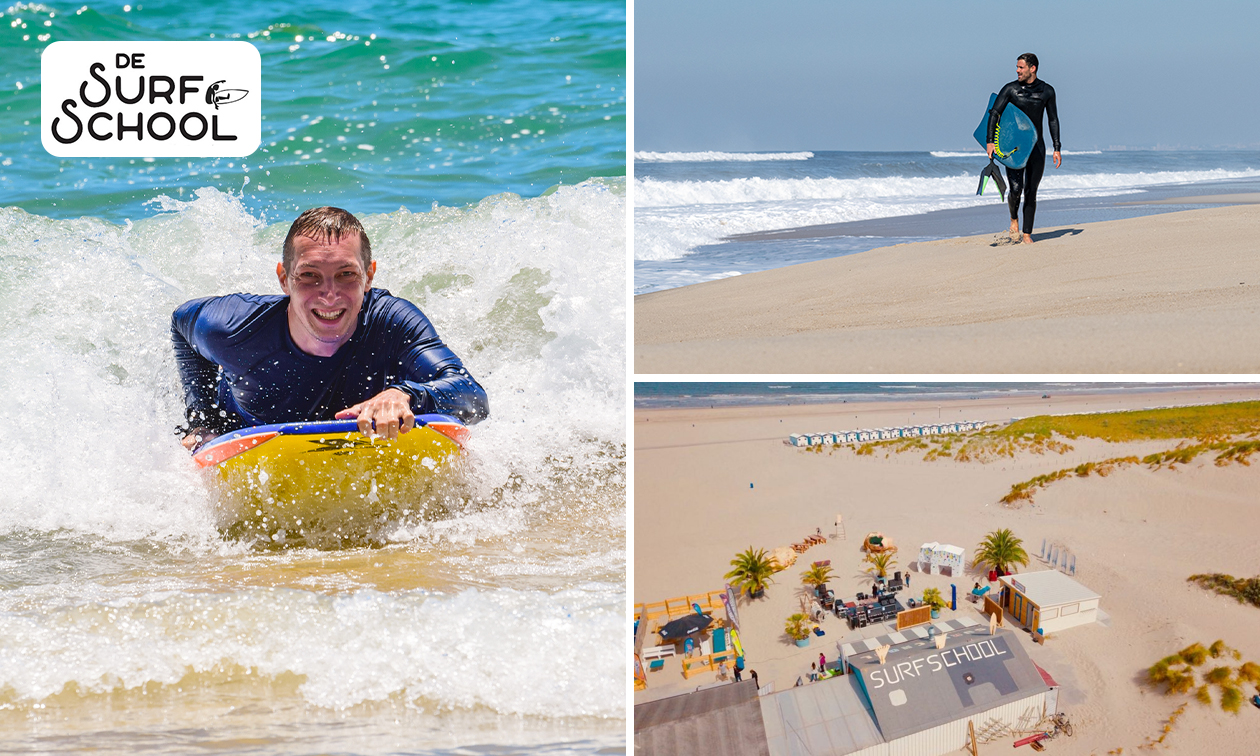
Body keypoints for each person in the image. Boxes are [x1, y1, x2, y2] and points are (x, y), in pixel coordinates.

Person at [171, 206, 489, 450]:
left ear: (369, 275)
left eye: (346, 274)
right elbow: (180, 322)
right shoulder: (235, 328)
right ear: (284, 278)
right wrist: (202, 420)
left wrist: (403, 396)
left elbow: (473, 398)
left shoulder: (391, 321)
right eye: (309, 275)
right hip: (248, 427)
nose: (329, 294)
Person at [986, 52, 1061, 244]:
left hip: (1037, 147)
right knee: (1016, 188)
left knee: (1031, 190)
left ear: (1032, 68)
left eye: (1021, 67)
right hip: (1014, 149)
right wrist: (990, 142)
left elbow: (1053, 119)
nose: (1017, 70)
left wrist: (1057, 147)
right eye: (1017, 67)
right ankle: (1014, 219)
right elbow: (994, 113)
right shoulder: (1010, 89)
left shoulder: (1047, 91)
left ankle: (1027, 233)